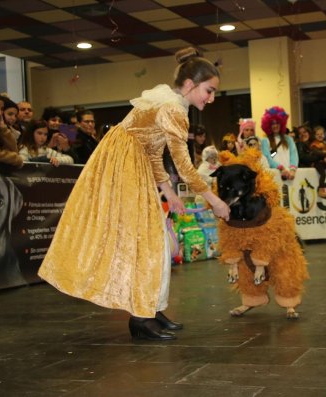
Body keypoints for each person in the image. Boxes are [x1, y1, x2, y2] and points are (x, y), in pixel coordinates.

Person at [38, 47, 231, 342]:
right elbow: (185, 166)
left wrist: (168, 191)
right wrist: (215, 201)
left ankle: (151, 308)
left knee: (155, 241)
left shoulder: (168, 102)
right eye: (209, 90)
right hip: (123, 169)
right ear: (191, 85)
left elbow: (153, 151)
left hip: (129, 164)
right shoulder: (173, 109)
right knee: (147, 241)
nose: (212, 98)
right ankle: (141, 317)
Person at [260, 106, 298, 180]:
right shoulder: (265, 141)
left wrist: (293, 169)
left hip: (290, 174)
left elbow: (294, 155)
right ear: (268, 125)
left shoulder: (288, 139)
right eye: (272, 123)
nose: (275, 125)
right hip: (274, 175)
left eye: (277, 123)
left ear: (282, 123)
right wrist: (281, 168)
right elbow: (267, 158)